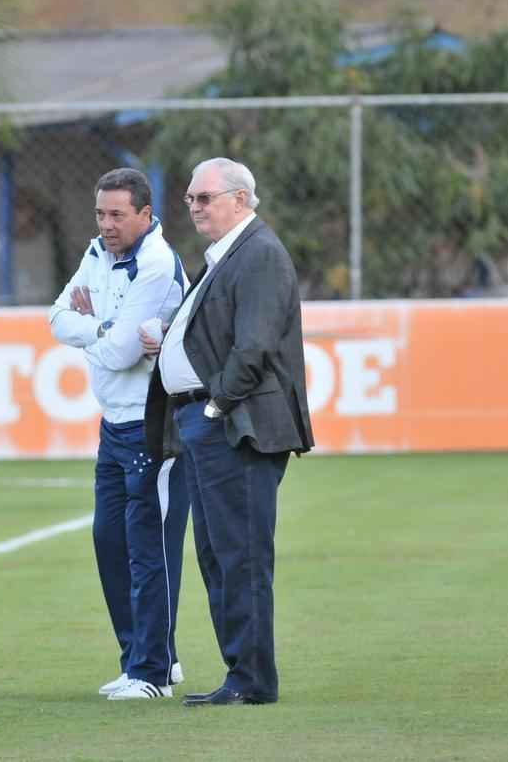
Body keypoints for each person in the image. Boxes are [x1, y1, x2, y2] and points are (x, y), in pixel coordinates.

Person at [140, 157, 314, 706]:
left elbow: (254, 344)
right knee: (218, 555)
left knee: (240, 555)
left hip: (235, 427)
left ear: (240, 199)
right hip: (208, 424)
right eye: (190, 199)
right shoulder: (228, 255)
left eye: (204, 198)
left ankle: (252, 680)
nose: (193, 207)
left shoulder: (258, 253)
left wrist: (215, 407)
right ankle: (240, 674)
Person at [49, 167, 190, 700]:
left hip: (153, 423)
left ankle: (153, 672)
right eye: (100, 214)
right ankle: (141, 659)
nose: (106, 224)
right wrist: (106, 328)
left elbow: (123, 352)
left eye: (117, 215)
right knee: (109, 540)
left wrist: (94, 330)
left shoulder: (155, 263)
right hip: (112, 422)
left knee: (148, 547)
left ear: (145, 215)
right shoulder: (96, 253)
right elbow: (57, 317)